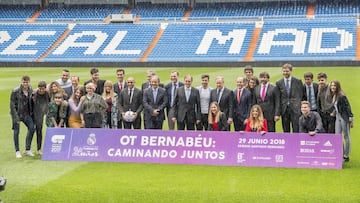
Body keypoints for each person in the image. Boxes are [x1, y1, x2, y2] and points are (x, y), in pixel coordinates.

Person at [327, 80, 354, 162]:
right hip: (338, 116)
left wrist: (351, 119)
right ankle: (341, 153)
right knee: (337, 135)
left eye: (334, 86)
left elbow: (347, 107)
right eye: (331, 85)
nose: (332, 87)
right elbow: (337, 106)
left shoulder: (341, 96)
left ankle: (346, 155)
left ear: (337, 86)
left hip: (344, 117)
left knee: (346, 136)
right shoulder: (334, 95)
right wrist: (333, 113)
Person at [10, 76, 35, 158]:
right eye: (24, 82)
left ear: (29, 82)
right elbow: (12, 105)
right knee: (16, 132)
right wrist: (15, 117)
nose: (25, 84)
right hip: (17, 114)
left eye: (27, 82)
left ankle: (27, 149)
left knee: (32, 128)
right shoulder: (15, 91)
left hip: (26, 114)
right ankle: (17, 151)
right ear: (21, 82)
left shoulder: (31, 90)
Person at [275, 63, 303, 132]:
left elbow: (301, 95)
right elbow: (278, 98)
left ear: (291, 71)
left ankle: (296, 142)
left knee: (296, 129)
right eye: (284, 71)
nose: (285, 73)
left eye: (287, 71)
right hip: (284, 109)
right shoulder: (279, 82)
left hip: (295, 109)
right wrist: (277, 113)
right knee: (285, 129)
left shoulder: (297, 81)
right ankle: (288, 143)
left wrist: (300, 108)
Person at [31, 81, 50, 155]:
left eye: (43, 89)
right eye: (40, 88)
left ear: (45, 88)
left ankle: (39, 149)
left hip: (41, 114)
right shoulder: (34, 94)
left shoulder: (47, 94)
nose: (41, 90)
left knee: (39, 130)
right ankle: (30, 148)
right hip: (34, 114)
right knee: (35, 130)